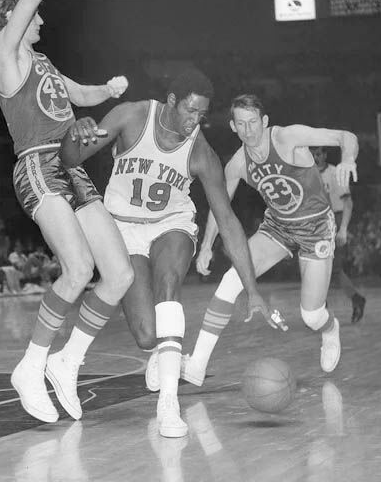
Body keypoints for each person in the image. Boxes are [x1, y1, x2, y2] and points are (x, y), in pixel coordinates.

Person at [60, 73, 276, 438]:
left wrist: (252, 288)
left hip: (170, 225)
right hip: (123, 227)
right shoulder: (131, 116)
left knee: (169, 284)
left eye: (201, 115)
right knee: (147, 336)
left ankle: (170, 405)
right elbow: (70, 158)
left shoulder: (201, 153)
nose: (194, 120)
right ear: (172, 100)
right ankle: (161, 352)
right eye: (190, 110)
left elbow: (227, 221)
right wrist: (74, 134)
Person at [0, 0, 134, 424]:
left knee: (116, 276)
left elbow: (81, 95)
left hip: (71, 167)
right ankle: (31, 365)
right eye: (32, 16)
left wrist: (110, 89)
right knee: (78, 268)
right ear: (12, 18)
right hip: (36, 167)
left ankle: (68, 361)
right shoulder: (7, 56)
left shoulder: (44, 62)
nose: (42, 19)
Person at [188, 94, 358, 384]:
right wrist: (205, 246)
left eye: (253, 122)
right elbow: (220, 206)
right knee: (232, 280)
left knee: (311, 315)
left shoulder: (287, 137)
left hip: (316, 227)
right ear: (233, 127)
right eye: (241, 124)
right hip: (278, 227)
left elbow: (346, 136)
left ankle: (330, 329)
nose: (248, 130)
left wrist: (348, 159)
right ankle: (197, 365)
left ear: (264, 122)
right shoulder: (238, 164)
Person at [312, 146, 366, 323]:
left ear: (325, 155)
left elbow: (348, 203)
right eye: (312, 154)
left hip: (334, 219)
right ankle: (324, 307)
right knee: (313, 267)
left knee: (332, 269)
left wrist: (343, 229)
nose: (315, 157)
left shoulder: (336, 173)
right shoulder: (307, 175)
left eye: (318, 153)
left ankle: (326, 308)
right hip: (315, 223)